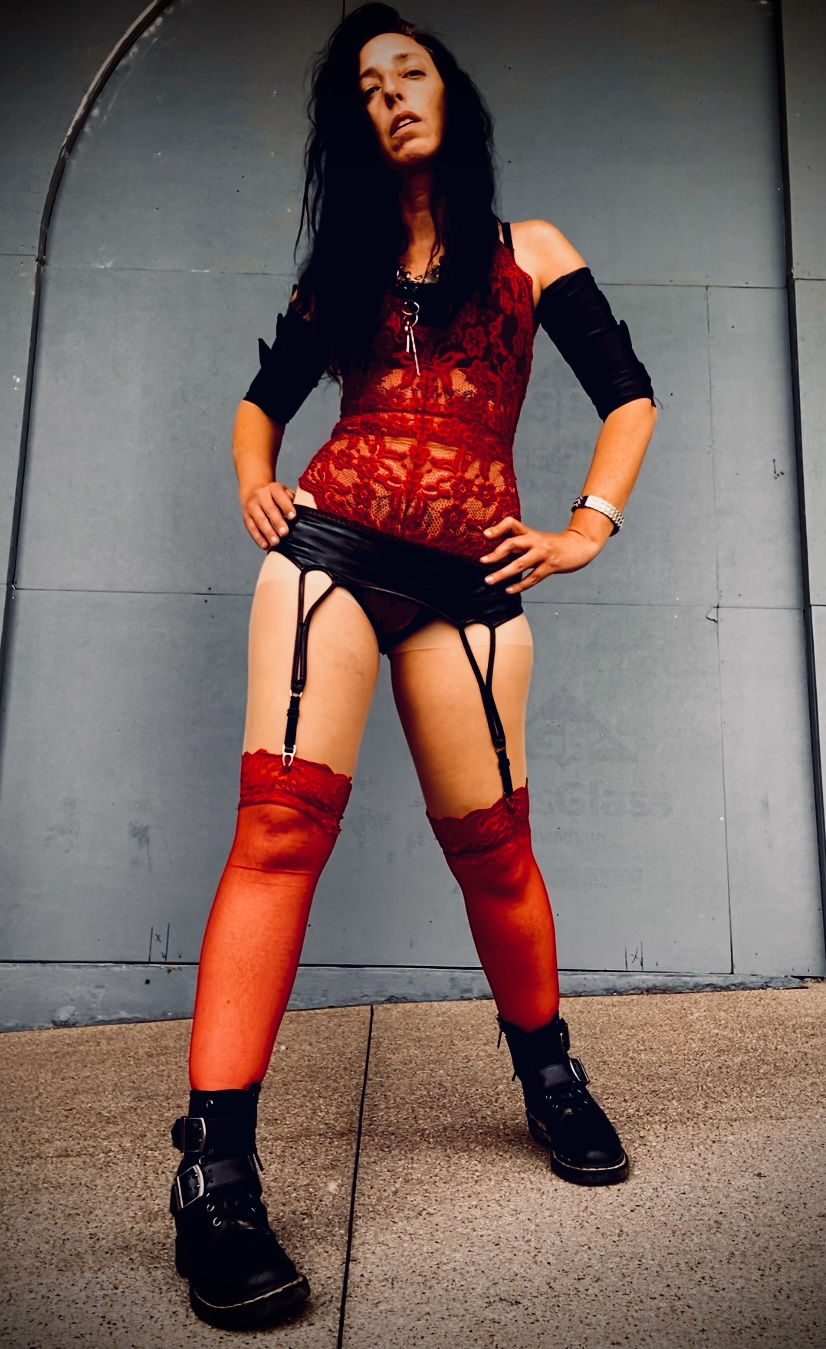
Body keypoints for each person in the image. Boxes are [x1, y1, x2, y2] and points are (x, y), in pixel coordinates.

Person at [167, 2, 657, 1331]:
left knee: (495, 852)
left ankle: (548, 1075)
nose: (393, 95)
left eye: (411, 71)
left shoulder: (530, 250)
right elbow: (262, 400)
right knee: (278, 831)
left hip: (470, 581)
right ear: (356, 123)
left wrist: (584, 529)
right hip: (330, 550)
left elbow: (628, 395)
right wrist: (257, 478)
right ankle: (213, 1175)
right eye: (369, 87)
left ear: (451, 93)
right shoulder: (342, 265)